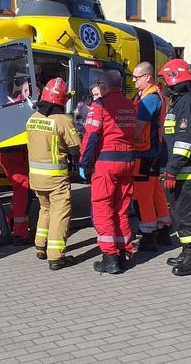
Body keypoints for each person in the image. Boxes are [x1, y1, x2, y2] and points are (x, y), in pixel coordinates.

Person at [79, 71, 136, 274]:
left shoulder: (100, 105)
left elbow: (92, 136)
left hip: (106, 162)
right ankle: (123, 253)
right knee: (121, 209)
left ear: (103, 86)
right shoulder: (129, 105)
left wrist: (84, 163)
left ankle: (109, 258)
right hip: (128, 161)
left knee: (103, 208)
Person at [158, 59, 191, 276]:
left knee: (187, 215)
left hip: (188, 172)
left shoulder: (187, 102)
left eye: (164, 81)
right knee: (180, 214)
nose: (163, 86)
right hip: (183, 171)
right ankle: (186, 251)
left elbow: (184, 141)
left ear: (173, 78)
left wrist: (172, 170)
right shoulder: (181, 102)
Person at [26, 77, 81, 270]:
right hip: (56, 178)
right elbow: (76, 149)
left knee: (45, 209)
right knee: (60, 214)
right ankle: (56, 256)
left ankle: (40, 246)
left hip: (35, 177)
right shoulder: (63, 120)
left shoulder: (33, 118)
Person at [131, 62, 172, 252]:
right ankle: (164, 229)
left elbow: (138, 128)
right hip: (153, 152)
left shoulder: (148, 100)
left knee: (142, 196)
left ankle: (148, 235)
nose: (133, 81)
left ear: (147, 77)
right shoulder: (155, 95)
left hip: (144, 153)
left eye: (136, 77)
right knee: (156, 192)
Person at [0, 78, 33, 245]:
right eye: (27, 92)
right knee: (23, 189)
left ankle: (11, 222)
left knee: (21, 190)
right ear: (22, 91)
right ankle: (20, 232)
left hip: (17, 154)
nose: (29, 95)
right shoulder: (16, 107)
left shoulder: (20, 106)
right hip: (12, 153)